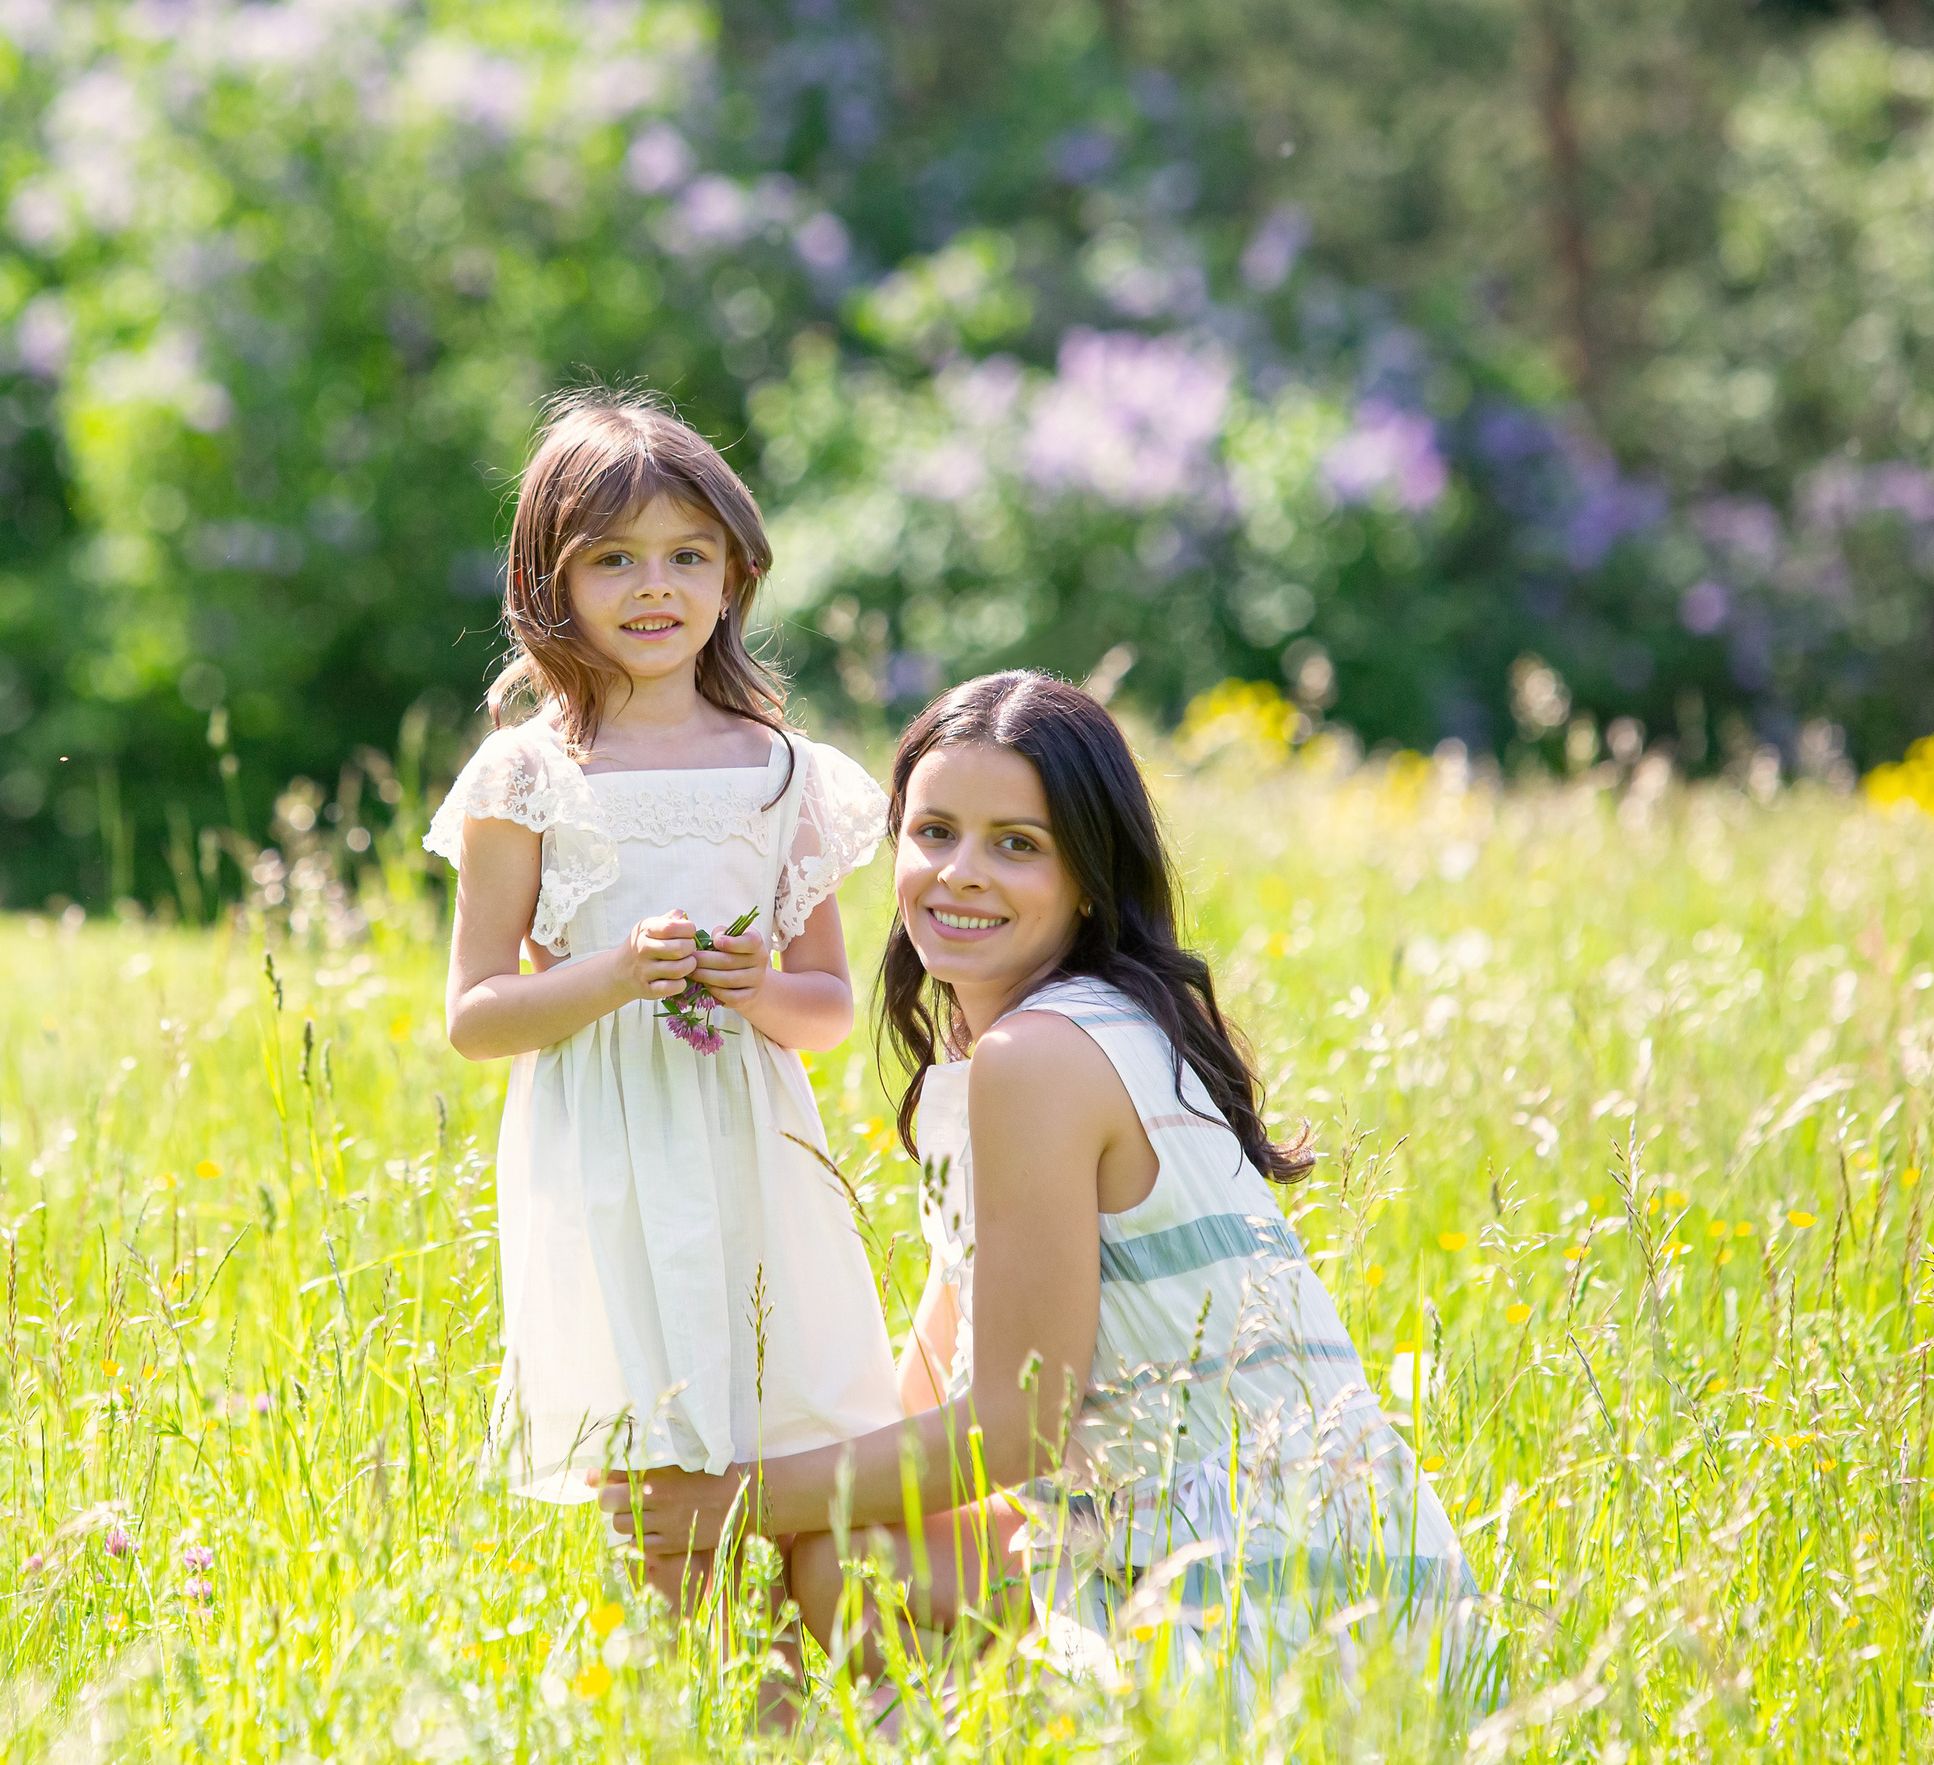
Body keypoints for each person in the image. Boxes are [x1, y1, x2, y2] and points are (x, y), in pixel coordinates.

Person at [600, 671, 1496, 1710]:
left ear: (1086, 875)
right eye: (932, 832)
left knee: (827, 1560)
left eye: (1015, 843)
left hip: (1276, 1591)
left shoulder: (1044, 1055)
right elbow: (918, 1400)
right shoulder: (1050, 1044)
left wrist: (734, 1502)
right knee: (840, 1560)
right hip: (1292, 1565)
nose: (958, 874)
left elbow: (1011, 1429)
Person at [427, 388, 900, 1606]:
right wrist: (611, 973)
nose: (656, 587)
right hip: (608, 1153)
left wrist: (755, 989)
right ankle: (667, 1697)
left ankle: (807, 1689)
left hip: (755, 1139)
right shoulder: (527, 773)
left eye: (689, 556)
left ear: (734, 573)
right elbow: (477, 1012)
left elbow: (827, 1007)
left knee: (802, 1421)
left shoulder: (780, 768)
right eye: (615, 561)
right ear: (551, 582)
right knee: (652, 1466)